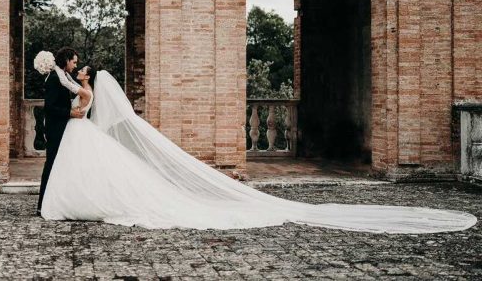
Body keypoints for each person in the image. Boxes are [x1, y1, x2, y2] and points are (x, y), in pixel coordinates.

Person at [41, 66, 478, 233]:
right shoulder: (83, 87)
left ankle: (72, 202)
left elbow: (82, 110)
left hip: (82, 132)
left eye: (80, 70)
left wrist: (77, 108)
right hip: (84, 134)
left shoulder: (84, 90)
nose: (79, 72)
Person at [36, 47, 89, 216]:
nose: (74, 65)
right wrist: (69, 113)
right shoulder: (53, 79)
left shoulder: (64, 77)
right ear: (66, 60)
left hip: (63, 127)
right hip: (55, 129)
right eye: (73, 62)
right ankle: (42, 204)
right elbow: (49, 107)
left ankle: (58, 202)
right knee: (51, 164)